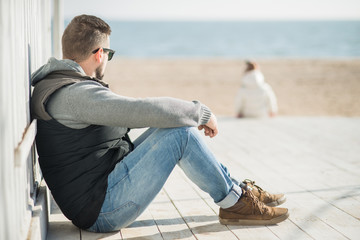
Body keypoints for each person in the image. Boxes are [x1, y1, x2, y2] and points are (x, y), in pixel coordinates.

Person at [30, 15, 288, 233]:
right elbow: (140, 110)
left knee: (174, 126)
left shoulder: (62, 85)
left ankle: (237, 191)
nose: (107, 58)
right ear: (99, 54)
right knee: (181, 134)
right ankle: (235, 202)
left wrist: (187, 115)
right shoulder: (75, 95)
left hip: (99, 192)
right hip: (103, 209)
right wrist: (201, 112)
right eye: (109, 53)